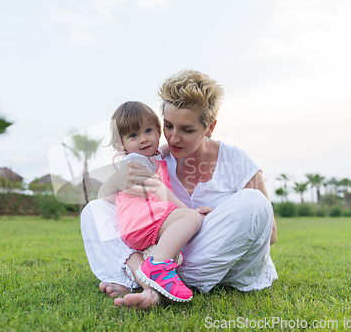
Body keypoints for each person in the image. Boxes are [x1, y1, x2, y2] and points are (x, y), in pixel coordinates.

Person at [81, 69, 278, 309]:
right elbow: (110, 204)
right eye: (168, 126)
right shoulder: (154, 158)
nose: (173, 138)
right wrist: (116, 182)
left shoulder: (238, 161)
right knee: (94, 210)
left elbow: (271, 234)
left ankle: (144, 280)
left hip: (214, 254)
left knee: (254, 203)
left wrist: (212, 218)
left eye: (187, 130)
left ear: (210, 127)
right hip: (165, 255)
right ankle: (157, 281)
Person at [109, 101, 209, 302]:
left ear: (158, 131)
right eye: (133, 136)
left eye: (148, 131)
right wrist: (191, 212)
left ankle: (135, 286)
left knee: (153, 249)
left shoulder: (151, 157)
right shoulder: (135, 163)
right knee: (190, 219)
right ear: (122, 144)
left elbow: (164, 149)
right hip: (141, 219)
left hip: (137, 225)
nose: (144, 139)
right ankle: (159, 266)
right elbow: (161, 191)